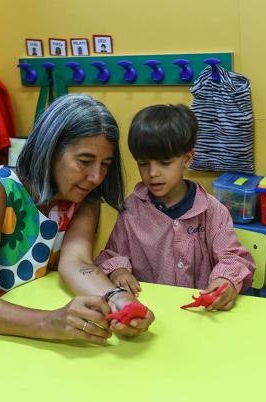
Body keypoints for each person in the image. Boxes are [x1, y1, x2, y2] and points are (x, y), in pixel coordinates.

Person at [0, 94, 154, 347]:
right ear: (50, 151)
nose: (96, 177)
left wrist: (118, 298)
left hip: (20, 331)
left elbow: (76, 264)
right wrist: (51, 322)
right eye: (84, 162)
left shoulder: (83, 200)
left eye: (105, 164)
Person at [95, 104, 254, 310]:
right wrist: (118, 271)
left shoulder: (212, 211)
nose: (152, 173)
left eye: (164, 163)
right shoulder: (131, 210)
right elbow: (113, 255)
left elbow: (232, 257)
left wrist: (227, 280)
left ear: (187, 159)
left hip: (201, 314)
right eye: (143, 163)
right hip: (151, 312)